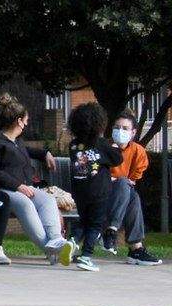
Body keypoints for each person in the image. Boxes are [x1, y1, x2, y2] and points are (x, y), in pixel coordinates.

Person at [0, 94, 70, 265]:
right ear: (19, 121)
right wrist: (18, 186)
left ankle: (56, 240)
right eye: (27, 120)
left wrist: (45, 152)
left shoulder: (17, 141)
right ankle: (52, 250)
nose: (27, 123)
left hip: (25, 188)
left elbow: (27, 150)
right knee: (26, 204)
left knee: (47, 200)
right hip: (5, 190)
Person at [65, 102, 118, 273]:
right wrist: (115, 148)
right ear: (99, 124)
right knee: (96, 224)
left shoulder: (73, 146)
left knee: (84, 220)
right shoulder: (101, 144)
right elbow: (117, 160)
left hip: (80, 192)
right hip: (99, 192)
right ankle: (86, 256)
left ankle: (72, 241)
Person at [103, 111, 160, 265]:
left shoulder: (138, 152)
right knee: (125, 187)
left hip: (122, 196)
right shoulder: (103, 148)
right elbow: (98, 177)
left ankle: (116, 234)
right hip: (102, 195)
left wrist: (118, 180)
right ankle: (135, 247)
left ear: (133, 132)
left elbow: (132, 180)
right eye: (117, 127)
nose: (120, 131)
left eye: (125, 128)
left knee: (130, 193)